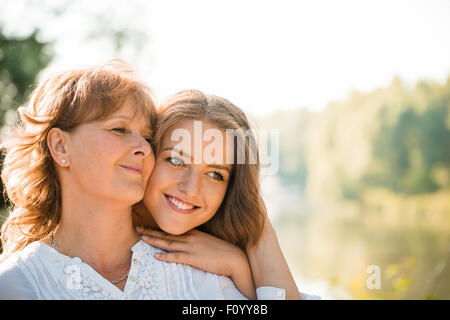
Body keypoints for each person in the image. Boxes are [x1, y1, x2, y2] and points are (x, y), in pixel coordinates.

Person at [0, 62, 286, 299]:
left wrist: (242, 259)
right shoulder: (16, 286)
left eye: (148, 137)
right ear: (61, 147)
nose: (143, 147)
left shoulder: (203, 276)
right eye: (119, 129)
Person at [132, 89, 317, 300]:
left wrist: (244, 255)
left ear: (230, 188)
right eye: (176, 161)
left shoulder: (216, 271)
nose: (191, 188)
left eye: (214, 174)